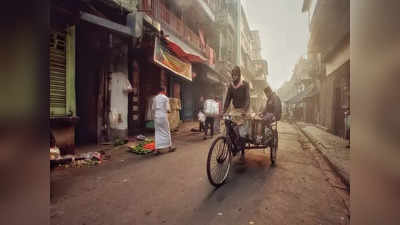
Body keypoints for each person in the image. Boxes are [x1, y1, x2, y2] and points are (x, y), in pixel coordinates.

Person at [222, 66, 251, 161]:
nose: (234, 77)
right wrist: (223, 111)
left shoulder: (245, 84)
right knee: (228, 124)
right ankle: (234, 144)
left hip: (244, 110)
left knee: (242, 133)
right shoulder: (231, 86)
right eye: (232, 75)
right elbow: (227, 100)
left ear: (239, 75)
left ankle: (242, 150)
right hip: (235, 110)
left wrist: (245, 110)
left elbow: (247, 99)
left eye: (235, 75)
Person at [152, 86, 176, 155]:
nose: (166, 92)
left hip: (157, 117)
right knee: (166, 131)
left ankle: (157, 150)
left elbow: (153, 108)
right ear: (163, 91)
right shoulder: (165, 98)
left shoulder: (155, 98)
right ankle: (170, 147)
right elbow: (168, 109)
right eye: (165, 90)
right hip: (163, 116)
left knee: (157, 132)